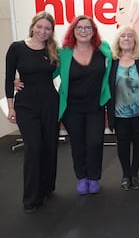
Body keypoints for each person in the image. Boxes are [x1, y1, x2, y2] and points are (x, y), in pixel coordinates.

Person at [5, 12, 59, 213]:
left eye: (47, 28)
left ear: (51, 31)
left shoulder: (53, 49)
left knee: (49, 146)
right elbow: (9, 78)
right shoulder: (17, 48)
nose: (43, 31)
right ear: (33, 26)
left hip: (49, 103)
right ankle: (31, 197)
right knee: (34, 147)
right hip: (26, 105)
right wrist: (11, 107)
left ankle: (46, 188)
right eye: (40, 26)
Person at [58, 15, 112, 195]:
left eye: (87, 28)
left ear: (93, 31)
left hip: (95, 107)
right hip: (71, 108)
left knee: (95, 142)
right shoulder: (64, 52)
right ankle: (82, 178)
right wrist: (21, 80)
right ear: (73, 31)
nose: (83, 31)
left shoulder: (103, 50)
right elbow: (47, 72)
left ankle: (94, 177)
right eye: (79, 27)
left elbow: (118, 63)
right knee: (78, 143)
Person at [107, 26, 139, 190]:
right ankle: (126, 174)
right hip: (119, 113)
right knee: (122, 144)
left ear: (135, 40)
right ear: (118, 40)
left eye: (130, 36)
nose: (126, 38)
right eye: (123, 36)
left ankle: (135, 173)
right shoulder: (112, 60)